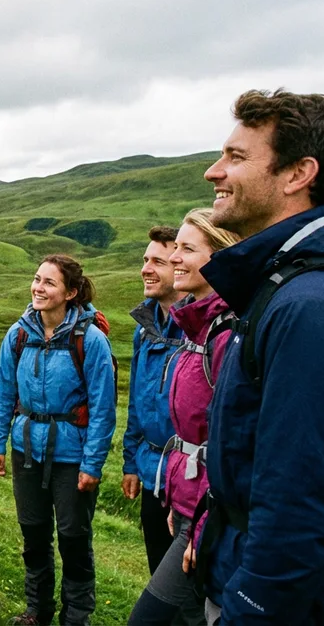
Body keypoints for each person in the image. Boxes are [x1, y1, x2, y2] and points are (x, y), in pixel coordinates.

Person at [193, 89, 324, 624]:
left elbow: (304, 500)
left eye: (237, 157)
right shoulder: (290, 284)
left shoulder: (310, 307)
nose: (213, 172)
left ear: (298, 174)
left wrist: (249, 609)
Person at [0, 254, 117, 626]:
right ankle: (37, 611)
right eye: (36, 279)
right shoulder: (18, 335)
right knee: (33, 532)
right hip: (25, 449)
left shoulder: (90, 340)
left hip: (71, 455)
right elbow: (4, 393)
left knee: (74, 538)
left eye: (49, 282)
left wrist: (92, 465)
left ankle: (76, 617)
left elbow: (103, 408)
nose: (38, 288)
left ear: (70, 292)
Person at [127, 209, 240, 625]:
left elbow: (233, 440)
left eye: (185, 250)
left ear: (221, 257)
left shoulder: (227, 333)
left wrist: (205, 515)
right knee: (190, 611)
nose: (174, 258)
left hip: (209, 512)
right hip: (184, 499)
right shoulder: (199, 327)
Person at [123, 226, 187, 575]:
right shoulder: (145, 327)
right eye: (145, 259)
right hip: (152, 473)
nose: (146, 268)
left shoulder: (202, 326)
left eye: (157, 262)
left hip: (190, 475)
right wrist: (131, 462)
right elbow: (137, 400)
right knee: (157, 569)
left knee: (188, 588)